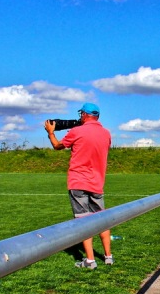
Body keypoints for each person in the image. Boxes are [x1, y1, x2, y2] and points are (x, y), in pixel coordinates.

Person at [44, 103, 112, 269]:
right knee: (102, 218)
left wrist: (51, 132)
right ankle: (108, 256)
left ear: (84, 114)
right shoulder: (106, 133)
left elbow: (57, 146)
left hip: (78, 182)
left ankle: (90, 261)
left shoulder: (77, 131)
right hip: (97, 182)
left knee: (83, 221)